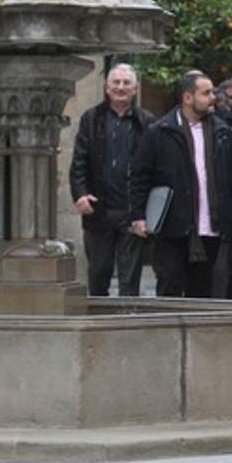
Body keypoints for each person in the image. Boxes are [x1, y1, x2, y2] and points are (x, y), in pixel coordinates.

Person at [130, 71, 232, 298]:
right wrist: (138, 216)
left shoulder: (223, 130)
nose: (213, 98)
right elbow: (140, 176)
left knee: (204, 290)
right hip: (173, 227)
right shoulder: (159, 132)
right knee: (170, 286)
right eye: (206, 93)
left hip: (212, 225)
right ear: (188, 97)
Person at [69, 63, 154, 296]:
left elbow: (154, 167)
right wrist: (80, 193)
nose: (120, 87)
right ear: (106, 88)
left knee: (130, 280)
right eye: (115, 83)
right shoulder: (91, 118)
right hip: (99, 210)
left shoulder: (147, 122)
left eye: (126, 83)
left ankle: (127, 324)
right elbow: (79, 161)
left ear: (135, 89)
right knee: (98, 274)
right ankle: (98, 325)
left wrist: (147, 210)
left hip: (133, 212)